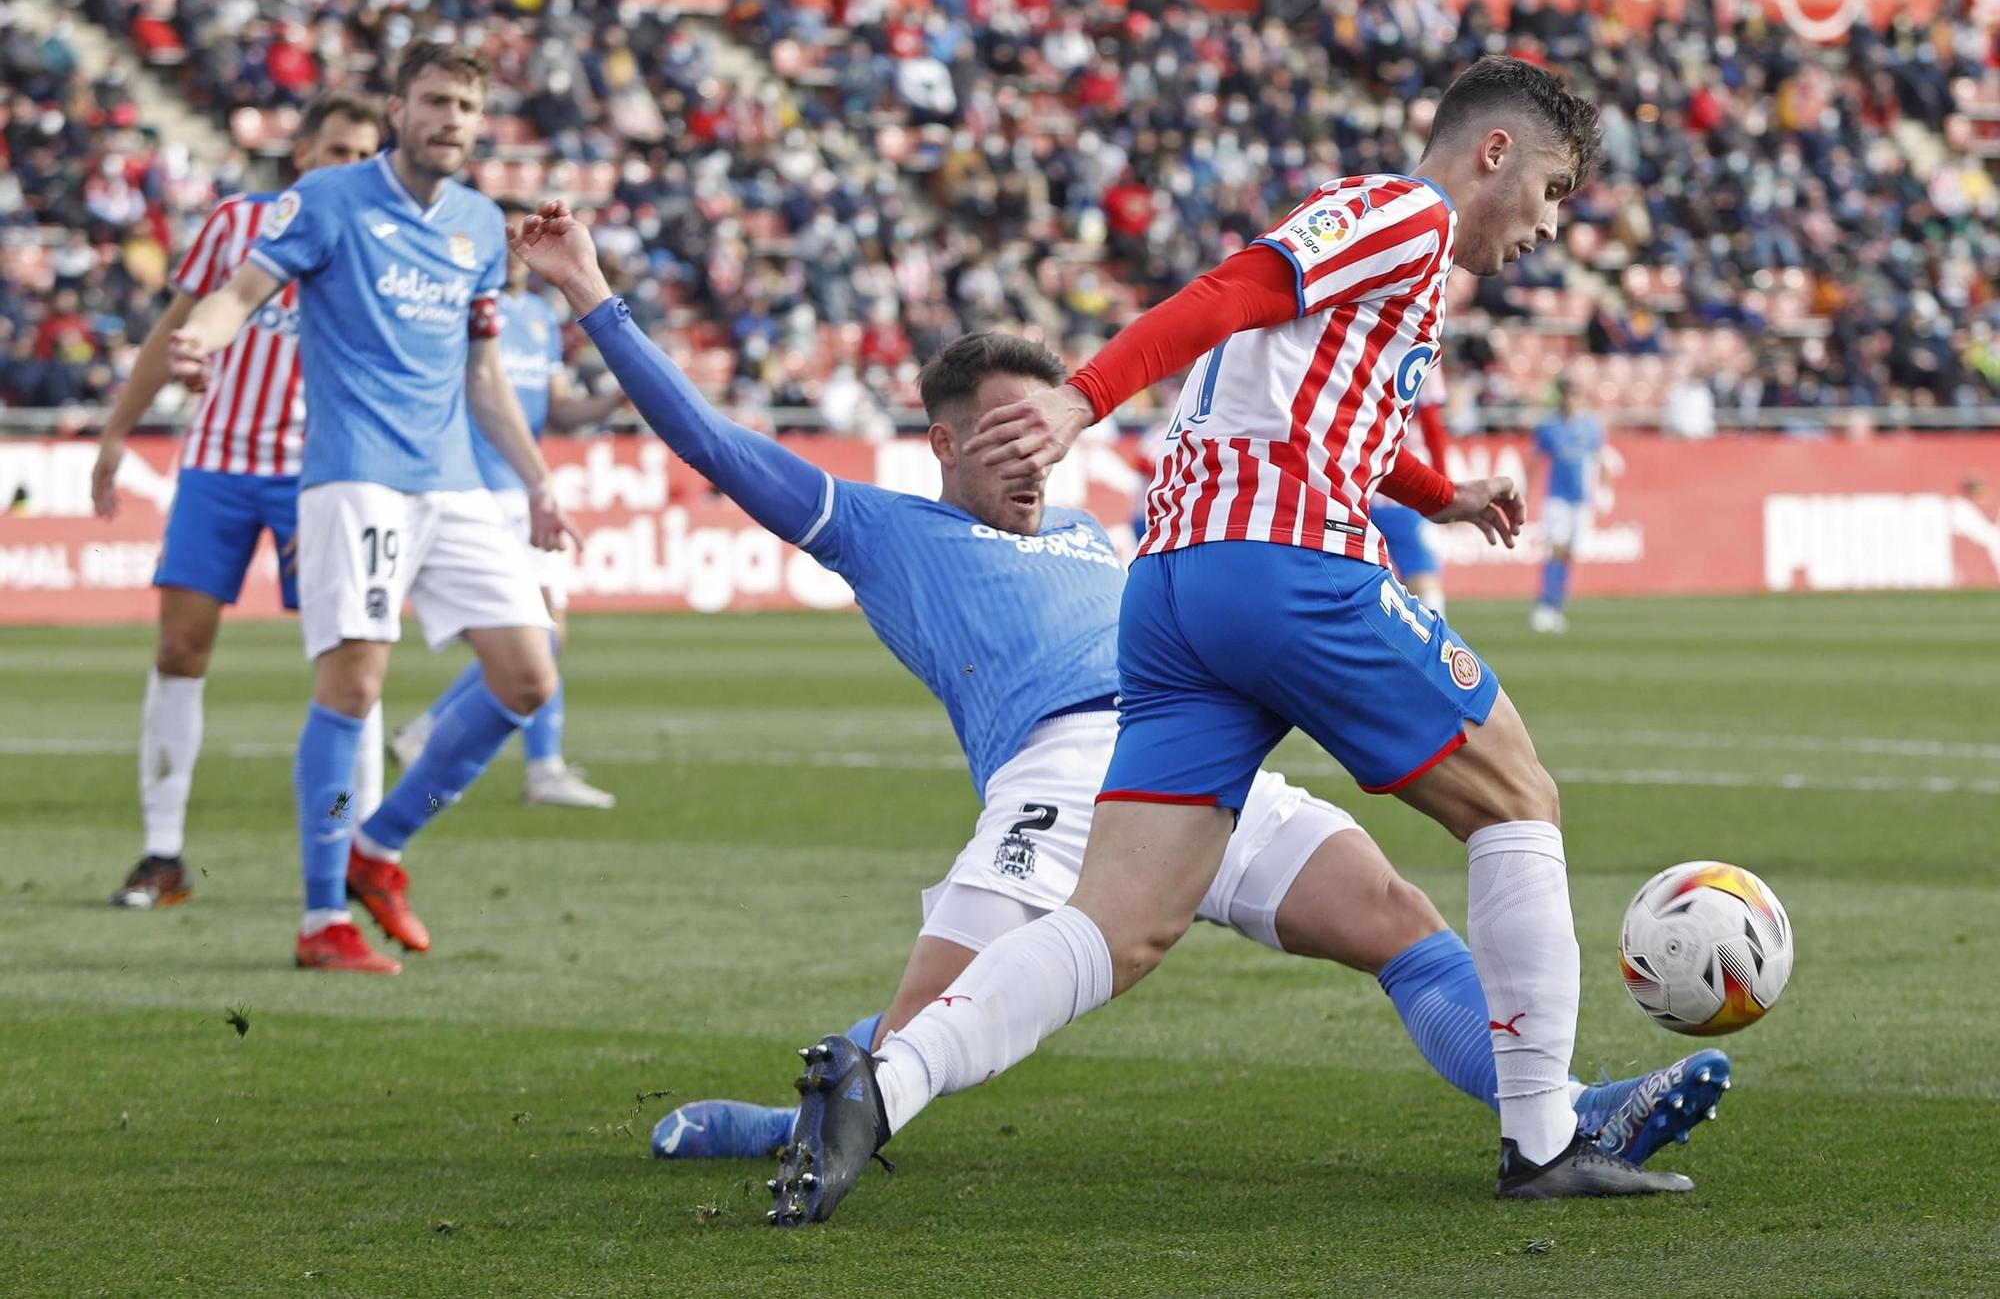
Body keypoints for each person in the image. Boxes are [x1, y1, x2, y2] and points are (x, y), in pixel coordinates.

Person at [506, 202, 1728, 1186]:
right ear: (939, 445)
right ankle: (779, 1125)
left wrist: (1427, 492)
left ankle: (1562, 1109)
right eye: (1001, 440)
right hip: (1053, 783)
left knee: (1398, 925)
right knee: (912, 1045)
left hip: (1196, 743)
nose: (1031, 461)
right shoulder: (880, 531)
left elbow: (1286, 421)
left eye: (1038, 438)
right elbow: (713, 442)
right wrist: (591, 294)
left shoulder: (1099, 531)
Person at [774, 56, 1724, 1223]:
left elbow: (1310, 405)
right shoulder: (1400, 213)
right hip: (1282, 568)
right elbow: (1231, 290)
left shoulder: (1389, 259)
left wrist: (1436, 495)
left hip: (1169, 596)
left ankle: (888, 1082)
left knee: (1118, 921)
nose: (1547, 223)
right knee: (1514, 796)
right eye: (1553, 189)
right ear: (1495, 155)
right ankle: (1541, 1135)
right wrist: (1082, 394)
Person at [166, 41, 576, 974]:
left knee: (527, 674)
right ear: (399, 109)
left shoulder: (479, 224)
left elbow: (482, 373)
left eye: (466, 107)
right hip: (355, 475)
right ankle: (321, 919)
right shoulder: (329, 200)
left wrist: (538, 477)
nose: (450, 120)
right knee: (352, 686)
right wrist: (199, 343)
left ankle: (378, 848)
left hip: (456, 482)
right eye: (434, 101)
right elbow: (241, 292)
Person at [94, 90, 384, 909]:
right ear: (302, 158)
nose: (348, 171)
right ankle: (163, 855)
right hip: (217, 465)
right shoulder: (237, 223)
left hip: (323, 474)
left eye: (363, 156)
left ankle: (356, 853)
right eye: (334, 153)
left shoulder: (384, 244)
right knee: (179, 652)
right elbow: (175, 328)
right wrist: (120, 430)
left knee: (350, 666)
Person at [390, 206, 625, 809]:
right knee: (540, 629)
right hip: (475, 486)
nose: (516, 243)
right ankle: (533, 765)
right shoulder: (454, 306)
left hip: (524, 488)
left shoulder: (539, 319)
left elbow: (557, 410)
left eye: (524, 232)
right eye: (504, 234)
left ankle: (433, 735)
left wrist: (612, 401)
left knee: (545, 635)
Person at [1372, 361, 1452, 615]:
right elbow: (1431, 423)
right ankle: (1435, 646)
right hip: (1402, 486)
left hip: (1354, 480)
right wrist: (1444, 485)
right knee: (1421, 573)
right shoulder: (1422, 347)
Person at [1530, 376, 1604, 633]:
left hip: (1581, 499)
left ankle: (1556, 605)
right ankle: (1545, 606)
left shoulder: (1592, 426)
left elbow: (1599, 459)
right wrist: (1528, 491)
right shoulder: (1550, 426)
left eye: (1576, 396)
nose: (1572, 401)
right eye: (1568, 396)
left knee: (1569, 554)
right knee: (1557, 549)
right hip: (1557, 498)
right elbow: (1536, 459)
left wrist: (1602, 491)